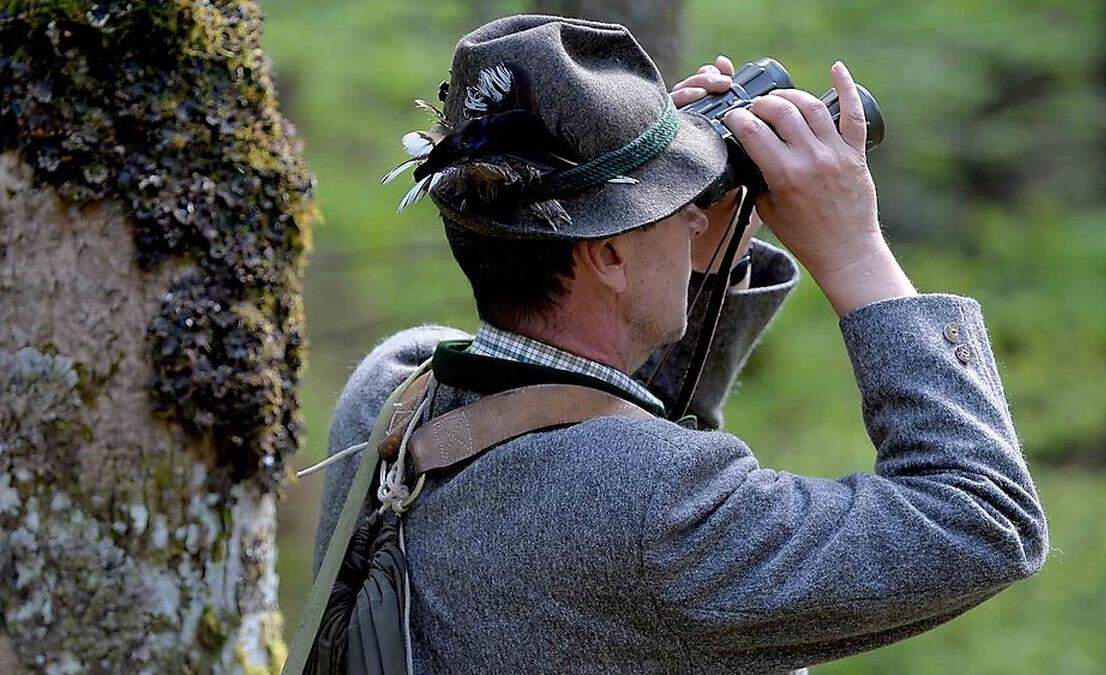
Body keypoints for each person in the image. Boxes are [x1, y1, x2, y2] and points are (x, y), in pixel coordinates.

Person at [313, 14, 1048, 673]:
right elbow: (983, 519)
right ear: (606, 257)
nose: (696, 219)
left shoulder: (394, 390)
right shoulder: (654, 507)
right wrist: (856, 253)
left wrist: (689, 241)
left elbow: (591, 420)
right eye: (675, 208)